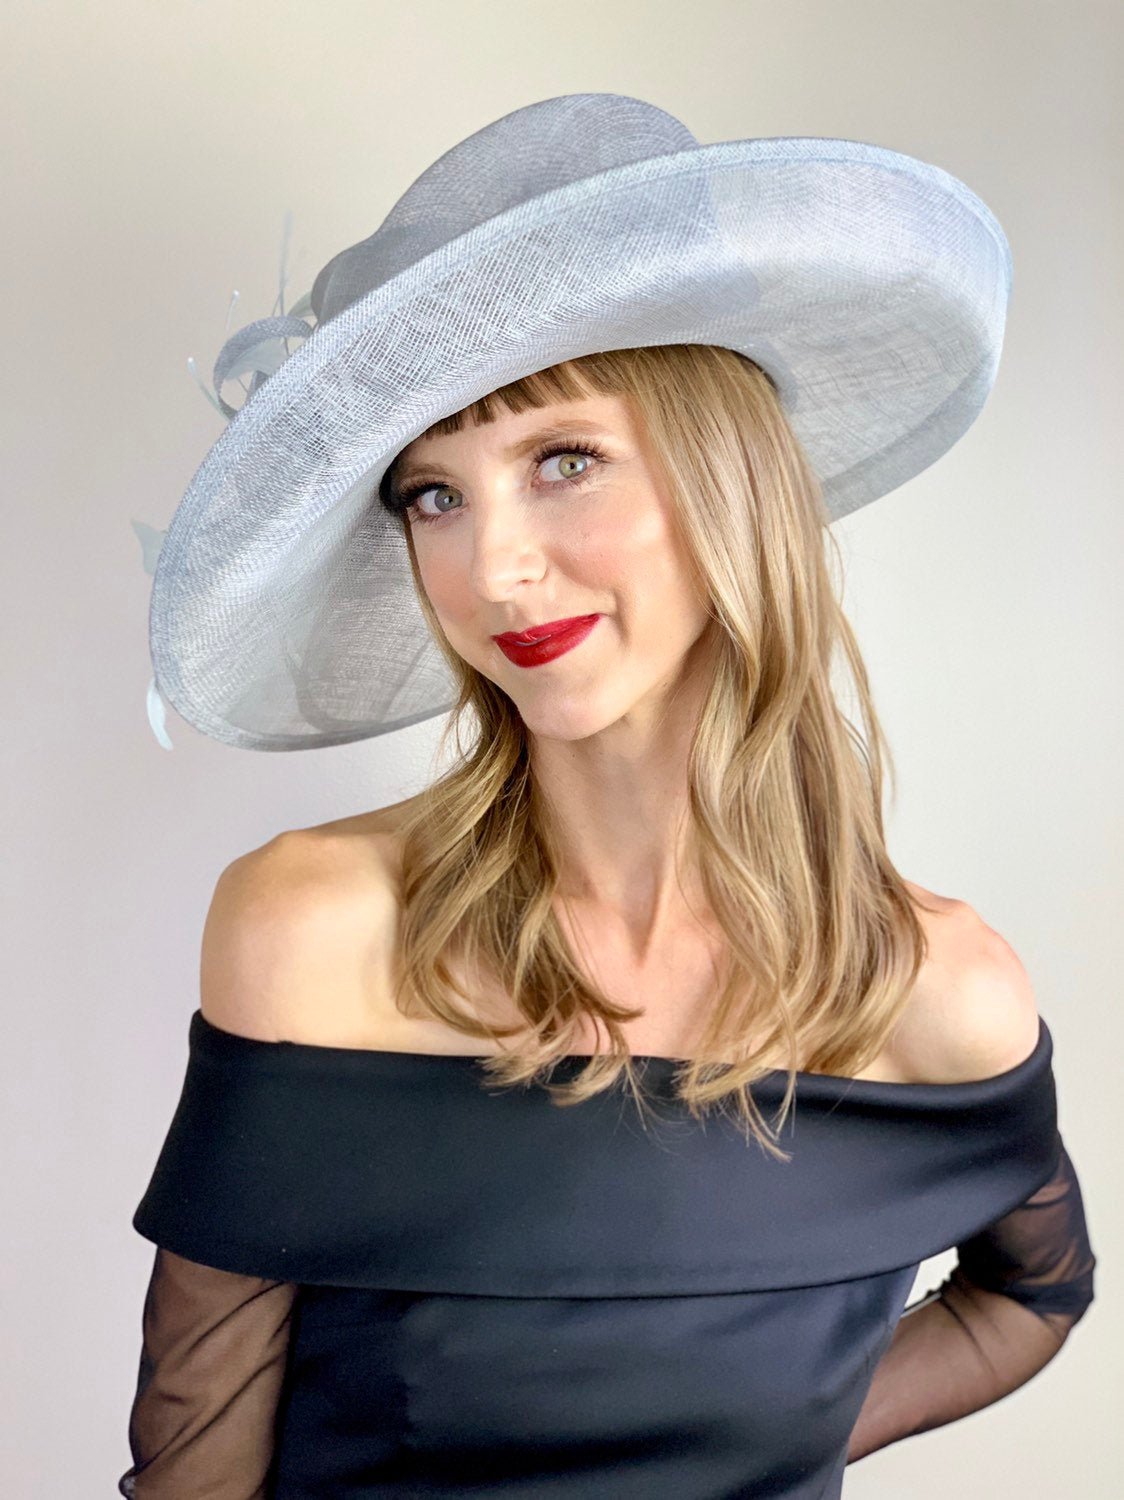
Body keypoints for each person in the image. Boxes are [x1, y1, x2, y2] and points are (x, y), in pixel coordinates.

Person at [119, 95, 1096, 1497]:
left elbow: (1032, 1295)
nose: (493, 568)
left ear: (727, 481)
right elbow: (193, 1472)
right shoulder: (317, 930)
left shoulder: (934, 989)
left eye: (562, 461)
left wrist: (771, 1438)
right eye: (432, 496)